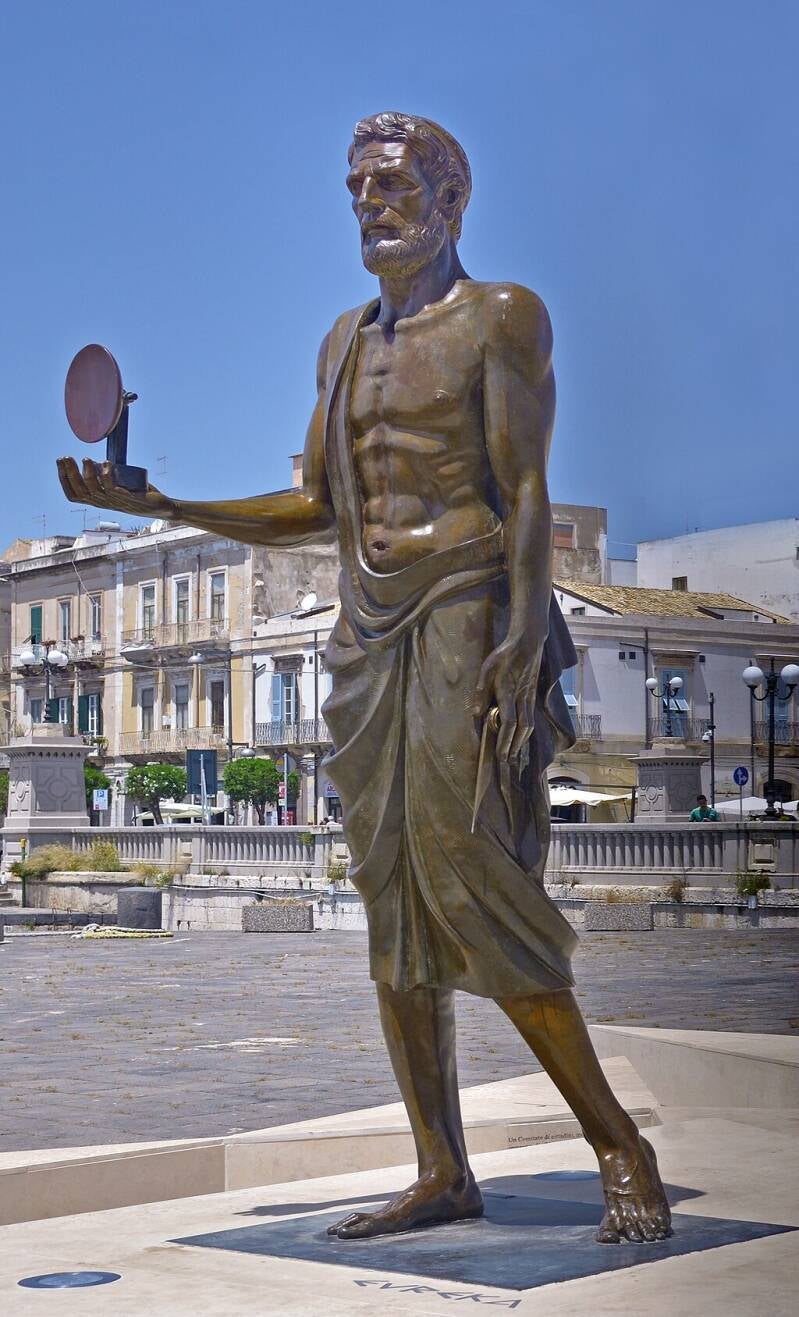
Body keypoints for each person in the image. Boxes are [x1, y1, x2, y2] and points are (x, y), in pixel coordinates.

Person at [57, 111, 671, 1246]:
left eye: (390, 185)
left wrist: (520, 642)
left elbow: (523, 490)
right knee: (391, 901)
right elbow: (319, 507)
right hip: (368, 627)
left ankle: (617, 1143)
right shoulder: (342, 342)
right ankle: (441, 1168)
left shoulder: (501, 315)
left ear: (449, 199)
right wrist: (166, 504)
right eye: (355, 190)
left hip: (468, 610)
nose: (369, 206)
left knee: (473, 877)